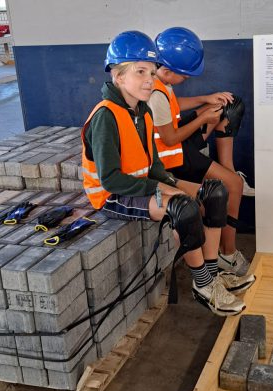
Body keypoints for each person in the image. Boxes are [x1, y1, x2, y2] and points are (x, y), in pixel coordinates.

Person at [81, 30, 255, 316]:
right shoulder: (106, 116)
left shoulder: (142, 112)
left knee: (214, 192)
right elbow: (110, 179)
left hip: (141, 183)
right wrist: (164, 190)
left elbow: (153, 165)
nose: (149, 79)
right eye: (140, 72)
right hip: (112, 195)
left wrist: (171, 182)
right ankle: (203, 286)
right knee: (183, 207)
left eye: (151, 72)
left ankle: (212, 274)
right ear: (118, 75)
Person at [148, 27, 253, 275]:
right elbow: (170, 138)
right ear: (167, 70)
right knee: (234, 186)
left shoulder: (159, 82)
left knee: (229, 107)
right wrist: (202, 116)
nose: (187, 80)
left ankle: (228, 171)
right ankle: (228, 255)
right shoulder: (154, 94)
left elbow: (174, 106)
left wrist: (207, 98)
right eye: (184, 77)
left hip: (176, 146)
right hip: (171, 158)